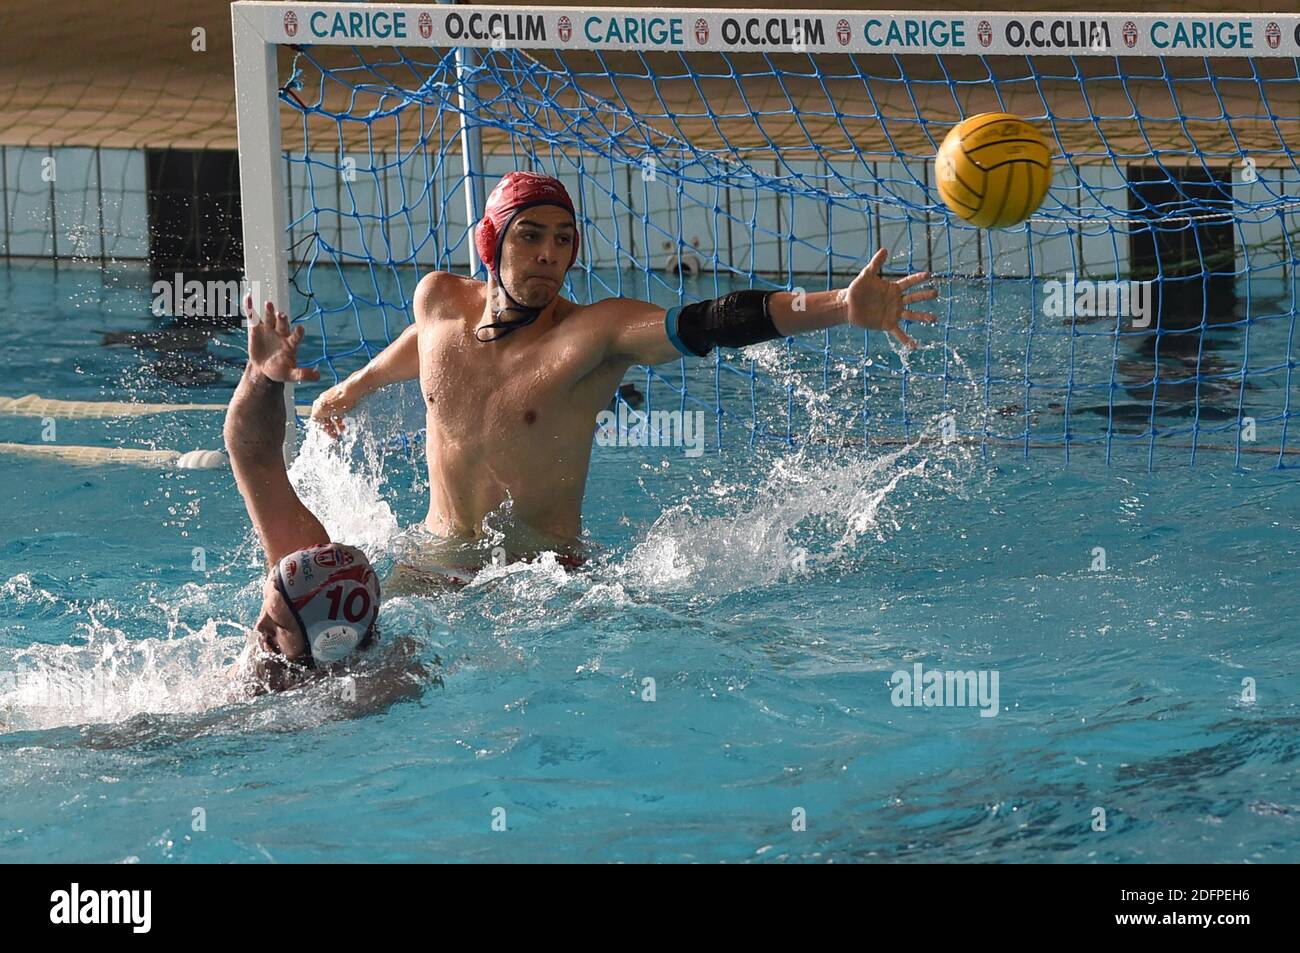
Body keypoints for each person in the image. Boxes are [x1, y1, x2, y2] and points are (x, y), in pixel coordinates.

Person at [310, 171, 938, 583]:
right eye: (530, 237)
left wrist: (838, 307)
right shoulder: (439, 299)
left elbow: (706, 322)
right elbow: (426, 345)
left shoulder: (595, 336)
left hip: (544, 582)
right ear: (490, 244)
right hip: (436, 556)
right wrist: (353, 386)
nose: (550, 255)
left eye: (563, 240)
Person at [226, 298, 381, 692]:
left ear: (326, 643)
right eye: (269, 615)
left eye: (278, 625)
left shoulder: (362, 696)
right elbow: (254, 455)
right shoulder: (302, 571)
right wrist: (263, 379)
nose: (258, 629)